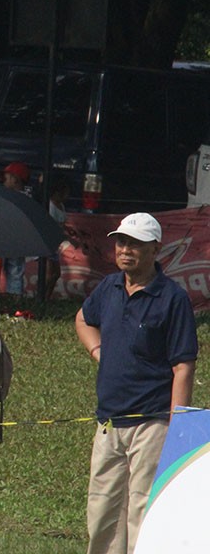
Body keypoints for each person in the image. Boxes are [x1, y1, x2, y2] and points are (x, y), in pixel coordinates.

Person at [74, 212, 197, 554]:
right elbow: (83, 319)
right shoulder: (108, 287)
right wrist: (98, 350)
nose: (125, 250)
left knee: (142, 512)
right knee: (102, 514)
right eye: (122, 242)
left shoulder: (172, 299)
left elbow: (183, 368)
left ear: (155, 249)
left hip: (152, 423)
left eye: (136, 244)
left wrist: (178, 426)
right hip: (109, 421)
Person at [0, 161, 30, 295]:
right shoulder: (25, 198)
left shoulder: (17, 198)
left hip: (8, 239)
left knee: (13, 271)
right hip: (13, 240)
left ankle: (13, 300)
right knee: (14, 272)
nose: (3, 181)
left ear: (15, 179)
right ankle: (14, 300)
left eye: (6, 177)